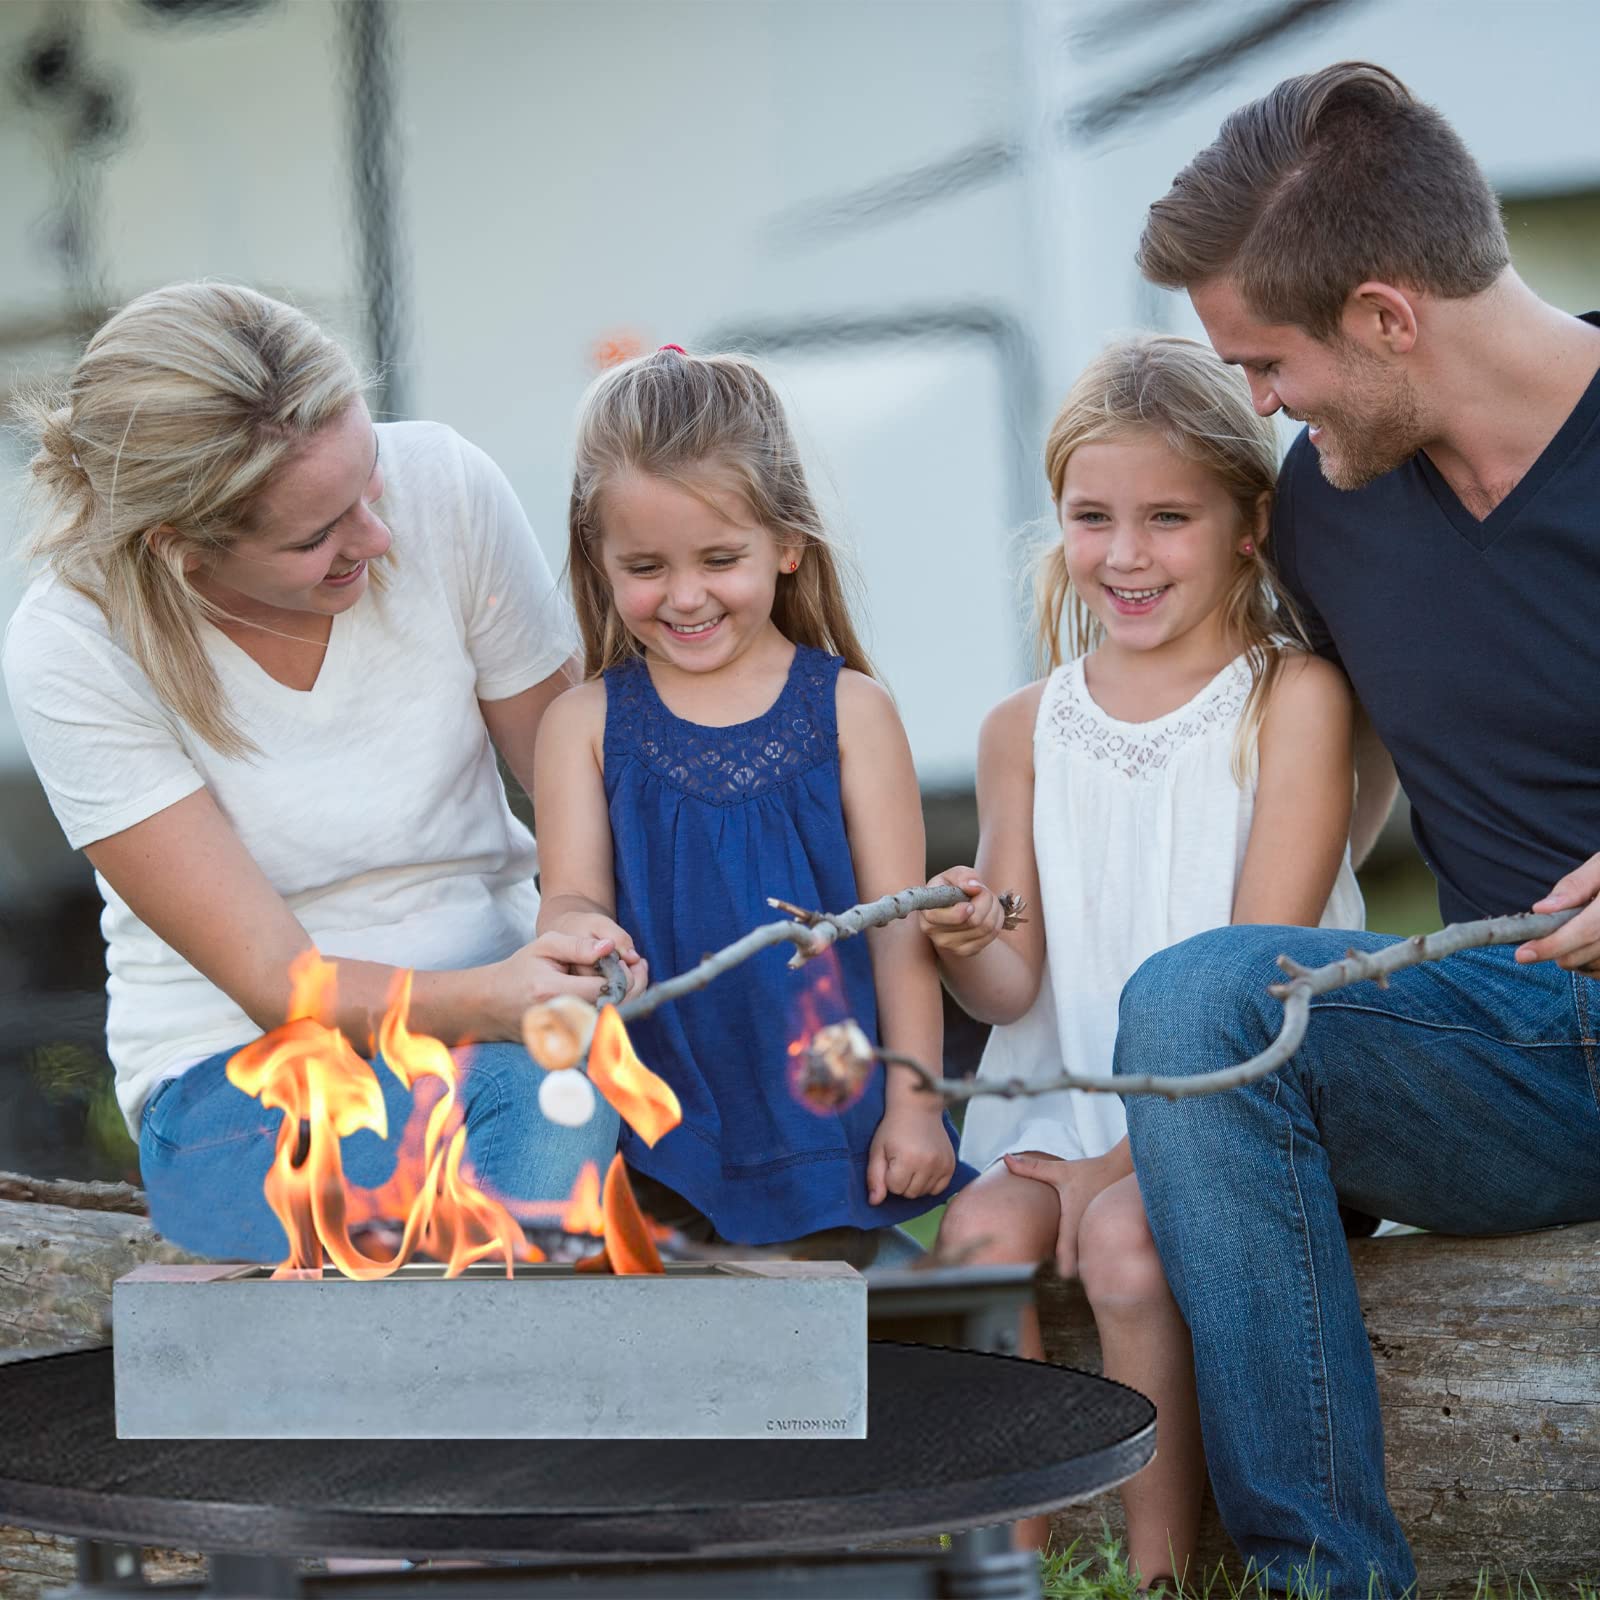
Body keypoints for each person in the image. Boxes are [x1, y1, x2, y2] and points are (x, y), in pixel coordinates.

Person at [1117, 61, 1600, 1596]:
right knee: (1194, 1007)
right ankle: (1329, 1579)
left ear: (1388, 318)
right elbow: (1355, 766)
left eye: (1267, 362)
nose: (1259, 402)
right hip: (1527, 1048)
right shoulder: (1334, 503)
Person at [2, 282, 639, 1263]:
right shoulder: (72, 642)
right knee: (488, 1136)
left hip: (501, 1029)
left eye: (368, 482)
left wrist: (569, 915)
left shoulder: (445, 486)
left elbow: (574, 786)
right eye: (316, 535)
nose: (378, 537)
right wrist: (498, 999)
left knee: (562, 1101)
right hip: (242, 1079)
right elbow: (275, 980)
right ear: (177, 550)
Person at [921, 333, 1363, 1584]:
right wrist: (965, 948)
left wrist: (1120, 1157)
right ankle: (1010, 1556)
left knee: (1122, 1241)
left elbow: (1258, 963)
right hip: (1055, 1115)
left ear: (1245, 521)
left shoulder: (1292, 699)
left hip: (1237, 1114)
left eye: (1168, 516)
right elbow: (1014, 983)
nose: (1125, 553)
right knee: (977, 1236)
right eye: (1091, 516)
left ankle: (1155, 1567)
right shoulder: (1023, 726)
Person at [533, 345, 975, 1264]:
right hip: (657, 1110)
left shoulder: (851, 710)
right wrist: (584, 932)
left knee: (829, 1374)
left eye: (720, 559)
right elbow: (570, 899)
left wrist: (918, 1101)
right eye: (646, 565)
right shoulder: (582, 723)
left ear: (787, 542)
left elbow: (901, 927)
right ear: (599, 558)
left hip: (825, 1102)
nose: (685, 596)